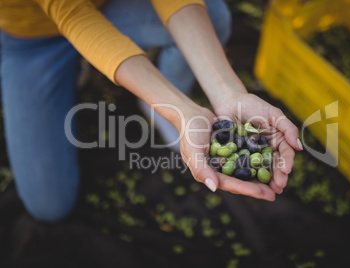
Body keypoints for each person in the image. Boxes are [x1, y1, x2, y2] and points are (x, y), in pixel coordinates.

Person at [0, 0, 303, 222]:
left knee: (214, 15)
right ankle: (75, 69)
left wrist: (224, 94)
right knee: (49, 205)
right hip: (31, 40)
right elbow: (71, 13)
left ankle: (154, 103)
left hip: (110, 8)